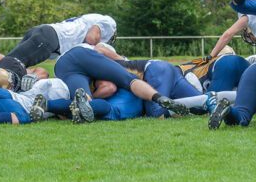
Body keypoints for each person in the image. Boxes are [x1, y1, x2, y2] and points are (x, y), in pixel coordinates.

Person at [0, 13, 117, 84]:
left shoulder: (85, 21)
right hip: (50, 38)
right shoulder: (109, 23)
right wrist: (96, 52)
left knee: (6, 63)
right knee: (8, 67)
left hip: (45, 33)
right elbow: (91, 37)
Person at [53, 43, 189, 123]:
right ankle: (158, 97)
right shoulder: (106, 60)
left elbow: (109, 87)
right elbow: (110, 86)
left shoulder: (99, 68)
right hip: (82, 56)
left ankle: (48, 106)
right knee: (128, 81)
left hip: (61, 66)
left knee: (86, 101)